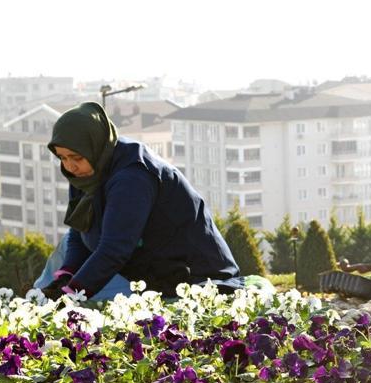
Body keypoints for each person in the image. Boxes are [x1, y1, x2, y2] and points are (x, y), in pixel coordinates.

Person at [40, 102, 240, 298]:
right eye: (62, 158)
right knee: (66, 246)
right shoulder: (87, 170)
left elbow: (114, 250)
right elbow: (80, 229)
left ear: (93, 146)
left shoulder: (132, 177)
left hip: (191, 276)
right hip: (140, 266)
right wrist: (66, 275)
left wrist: (73, 292)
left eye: (75, 158)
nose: (69, 166)